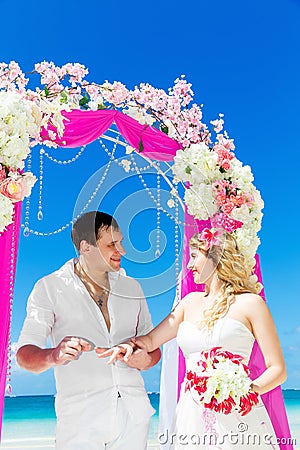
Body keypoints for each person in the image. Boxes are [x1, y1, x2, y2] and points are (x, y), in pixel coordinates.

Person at [97, 228, 286, 449]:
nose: (189, 265)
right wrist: (127, 346)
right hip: (192, 414)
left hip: (236, 413)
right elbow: (149, 341)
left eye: (195, 256)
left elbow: (277, 369)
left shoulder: (251, 303)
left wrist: (245, 393)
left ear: (216, 257)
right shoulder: (188, 303)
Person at [16, 211, 161, 450]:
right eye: (112, 244)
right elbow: (24, 356)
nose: (122, 251)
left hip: (134, 415)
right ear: (86, 247)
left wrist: (143, 360)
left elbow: (154, 349)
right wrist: (54, 355)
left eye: (121, 242)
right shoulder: (49, 288)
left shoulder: (132, 288)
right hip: (79, 421)